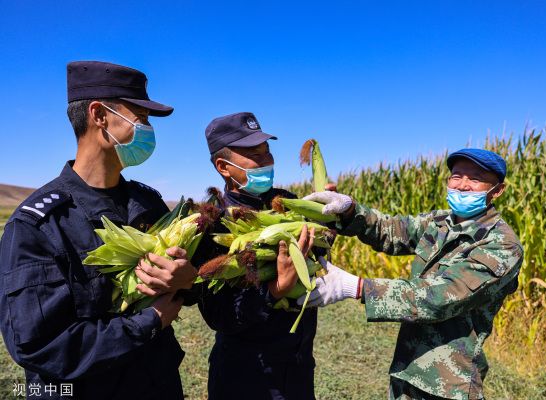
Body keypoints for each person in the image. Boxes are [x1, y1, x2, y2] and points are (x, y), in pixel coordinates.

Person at [0, 61, 198, 400]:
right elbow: (39, 346)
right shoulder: (38, 225)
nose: (149, 129)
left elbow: (184, 286)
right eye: (141, 117)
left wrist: (187, 280)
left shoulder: (148, 202)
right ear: (99, 115)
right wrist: (148, 322)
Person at [300, 149, 524, 400]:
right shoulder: (439, 222)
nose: (462, 185)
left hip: (449, 384)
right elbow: (389, 230)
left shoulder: (502, 245)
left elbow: (441, 296)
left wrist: (358, 287)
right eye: (456, 176)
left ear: (497, 190)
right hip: (407, 368)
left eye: (475, 178)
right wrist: (350, 210)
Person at [194, 112, 318, 400]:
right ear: (223, 167)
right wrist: (274, 291)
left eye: (267, 152)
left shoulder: (288, 203)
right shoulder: (213, 224)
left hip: (298, 366)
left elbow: (318, 253)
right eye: (255, 155)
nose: (267, 161)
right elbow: (219, 315)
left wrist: (326, 216)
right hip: (247, 375)